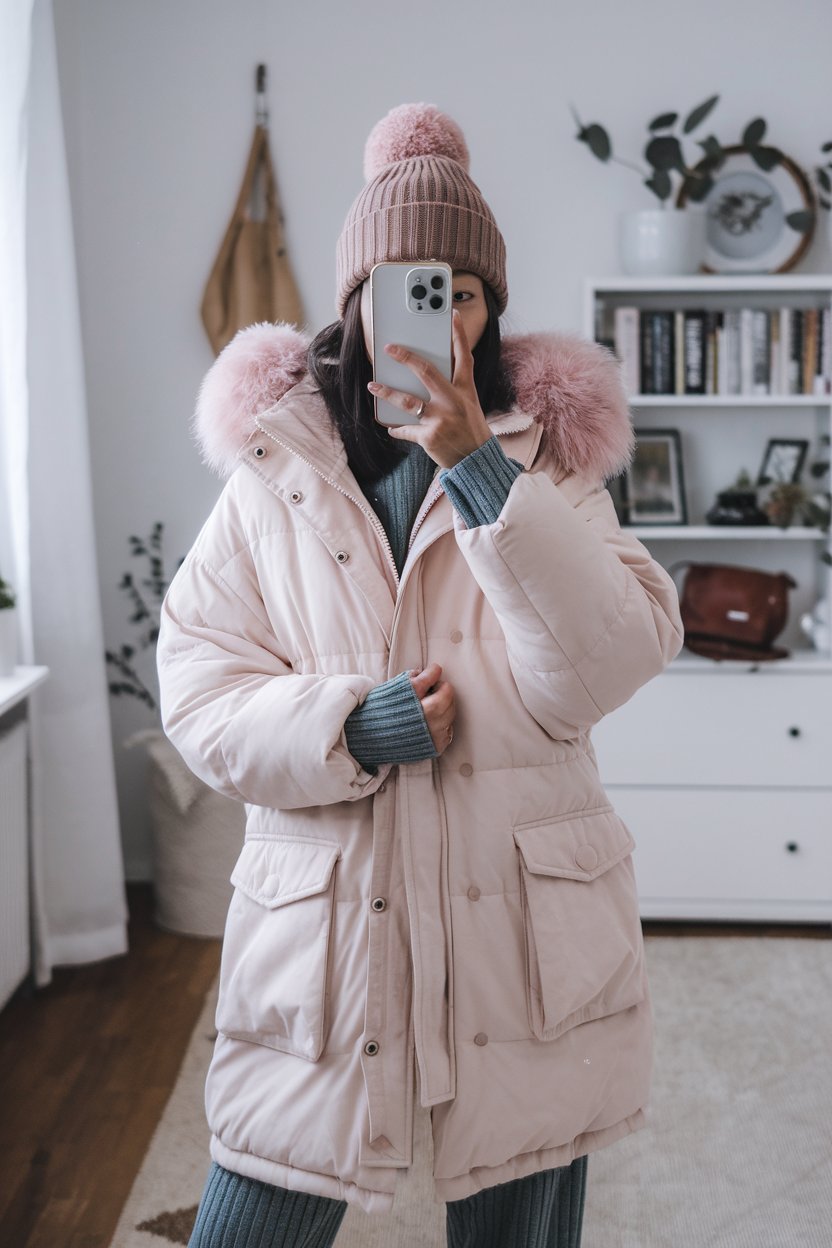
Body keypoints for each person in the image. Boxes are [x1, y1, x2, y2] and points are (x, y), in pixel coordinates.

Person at [156, 102, 685, 1248]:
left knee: (518, 1209)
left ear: (491, 310)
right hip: (327, 937)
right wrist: (353, 725)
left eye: (460, 290)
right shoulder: (272, 468)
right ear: (354, 305)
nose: (431, 316)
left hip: (523, 940)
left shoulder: (547, 462)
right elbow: (200, 695)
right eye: (403, 287)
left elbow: (605, 662)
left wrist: (478, 469)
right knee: (255, 1212)